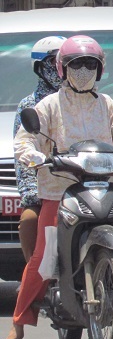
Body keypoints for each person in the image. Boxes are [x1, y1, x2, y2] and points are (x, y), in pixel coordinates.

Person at [2, 35, 113, 339]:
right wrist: (34, 156)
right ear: (62, 69)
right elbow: (25, 140)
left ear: (100, 70)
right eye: (76, 65)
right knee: (42, 259)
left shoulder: (108, 105)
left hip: (107, 189)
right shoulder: (48, 106)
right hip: (59, 192)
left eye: (90, 65)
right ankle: (17, 326)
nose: (83, 71)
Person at [13, 36, 65, 263]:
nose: (61, 69)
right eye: (54, 62)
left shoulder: (82, 99)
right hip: (46, 186)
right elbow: (22, 153)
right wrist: (32, 193)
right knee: (29, 220)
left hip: (83, 181)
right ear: (40, 67)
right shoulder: (28, 106)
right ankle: (34, 278)